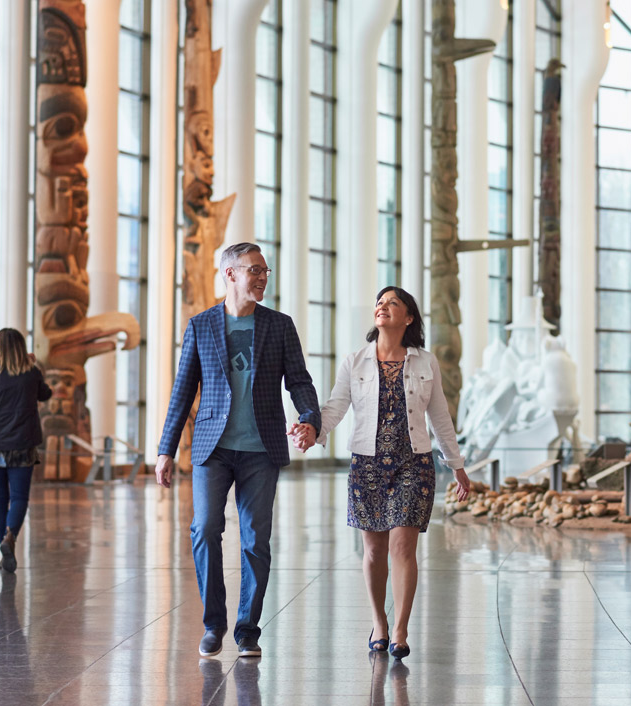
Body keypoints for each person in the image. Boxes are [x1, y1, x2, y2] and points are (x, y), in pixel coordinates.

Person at [156, 242, 322, 659]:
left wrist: (310, 418)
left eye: (266, 270)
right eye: (255, 270)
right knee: (205, 529)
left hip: (261, 449)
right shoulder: (201, 325)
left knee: (255, 541)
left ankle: (248, 629)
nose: (263, 276)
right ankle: (214, 624)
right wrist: (164, 450)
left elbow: (299, 381)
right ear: (230, 274)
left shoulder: (279, 326)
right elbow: (182, 392)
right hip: (213, 448)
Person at [298, 286, 470, 660]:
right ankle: (379, 622)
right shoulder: (355, 361)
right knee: (374, 551)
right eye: (379, 302)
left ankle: (402, 629)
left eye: (393, 303)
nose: (383, 306)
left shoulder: (425, 362)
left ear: (408, 317)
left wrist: (457, 466)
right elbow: (336, 406)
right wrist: (315, 432)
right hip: (367, 464)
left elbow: (439, 416)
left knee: (402, 547)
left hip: (414, 464)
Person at [0, 328, 52, 574]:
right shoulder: (30, 374)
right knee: (18, 497)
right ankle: (10, 538)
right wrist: (35, 367)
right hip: (23, 444)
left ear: (2, 347)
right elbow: (45, 393)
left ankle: (5, 546)